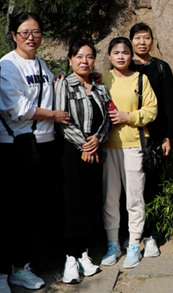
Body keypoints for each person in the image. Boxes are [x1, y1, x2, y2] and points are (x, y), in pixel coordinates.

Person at [0, 12, 70, 293]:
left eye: (36, 32)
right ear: (14, 35)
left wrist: (59, 80)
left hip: (42, 145)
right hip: (16, 146)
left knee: (31, 212)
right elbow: (17, 109)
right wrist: (55, 115)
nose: (31, 37)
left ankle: (20, 268)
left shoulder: (41, 64)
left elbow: (44, 91)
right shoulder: (7, 65)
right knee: (10, 212)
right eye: (24, 32)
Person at [54, 40, 112, 284]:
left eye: (89, 56)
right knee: (72, 204)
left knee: (89, 202)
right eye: (79, 56)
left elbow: (108, 119)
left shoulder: (100, 87)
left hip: (95, 151)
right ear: (70, 60)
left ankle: (83, 253)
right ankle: (70, 257)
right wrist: (84, 145)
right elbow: (61, 120)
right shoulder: (63, 84)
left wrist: (97, 140)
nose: (84, 61)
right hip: (71, 152)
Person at [101, 37, 158, 269]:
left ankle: (134, 244)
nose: (121, 56)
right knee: (110, 198)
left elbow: (152, 110)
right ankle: (113, 244)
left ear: (131, 55)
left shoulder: (141, 79)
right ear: (109, 56)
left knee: (134, 198)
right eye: (116, 52)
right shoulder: (102, 79)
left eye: (125, 52)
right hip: (107, 146)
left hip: (134, 144)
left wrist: (129, 117)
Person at [129, 22, 173, 257]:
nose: (142, 42)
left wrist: (167, 136)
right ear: (131, 41)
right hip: (128, 135)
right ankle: (131, 235)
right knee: (130, 188)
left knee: (152, 186)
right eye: (137, 38)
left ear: (152, 40)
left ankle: (152, 236)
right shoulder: (123, 65)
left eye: (146, 37)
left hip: (154, 136)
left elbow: (168, 105)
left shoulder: (161, 67)